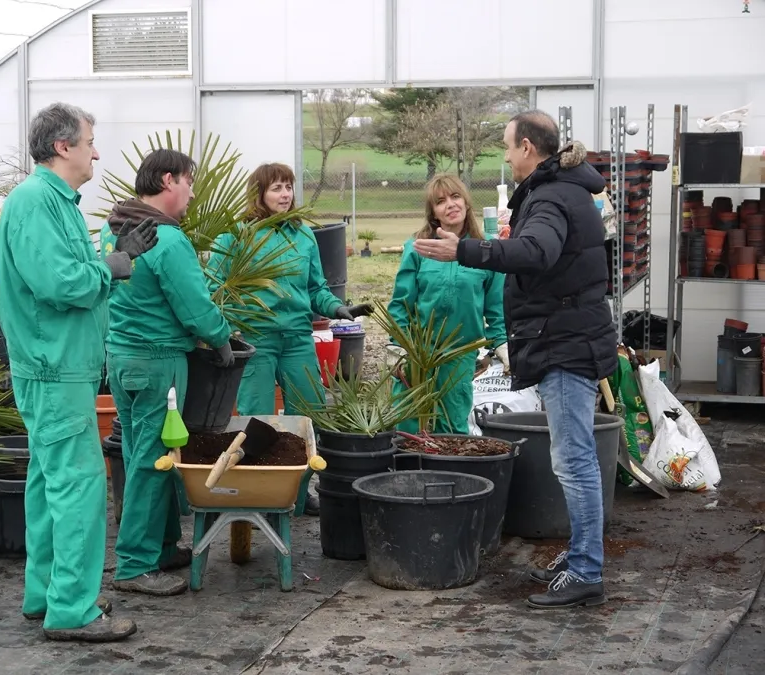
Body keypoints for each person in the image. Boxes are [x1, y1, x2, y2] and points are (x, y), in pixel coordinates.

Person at [412, 110, 617, 610]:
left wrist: (467, 251)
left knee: (573, 461)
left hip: (566, 344)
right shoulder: (567, 190)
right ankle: (579, 557)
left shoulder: (549, 196)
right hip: (569, 337)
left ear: (528, 147)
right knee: (573, 458)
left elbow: (536, 252)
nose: (505, 156)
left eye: (507, 146)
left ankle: (587, 569)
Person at [0, 102, 159, 641]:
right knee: (80, 486)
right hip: (53, 367)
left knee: (48, 484)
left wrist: (114, 256)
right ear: (63, 146)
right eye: (90, 141)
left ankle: (46, 593)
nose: (95, 150)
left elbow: (70, 273)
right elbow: (62, 285)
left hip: (58, 367)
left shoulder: (55, 201)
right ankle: (72, 610)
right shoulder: (37, 202)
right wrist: (113, 264)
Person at [100, 149, 234, 597]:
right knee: (152, 462)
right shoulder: (167, 240)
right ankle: (135, 565)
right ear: (167, 180)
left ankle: (159, 549)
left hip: (121, 359)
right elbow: (194, 307)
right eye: (190, 183)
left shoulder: (113, 227)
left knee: (143, 453)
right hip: (159, 363)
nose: (193, 193)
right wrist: (221, 339)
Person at [207, 163, 372, 515]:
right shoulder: (236, 235)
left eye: (289, 187)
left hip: (297, 337)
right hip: (256, 340)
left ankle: (297, 495)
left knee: (308, 414)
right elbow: (216, 288)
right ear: (259, 194)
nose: (285, 195)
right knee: (257, 419)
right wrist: (230, 327)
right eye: (277, 188)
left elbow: (316, 290)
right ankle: (261, 495)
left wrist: (338, 308)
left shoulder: (302, 235)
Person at [388, 174, 507, 434]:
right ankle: (407, 472)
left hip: (460, 352)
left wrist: (502, 344)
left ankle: (450, 473)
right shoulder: (418, 247)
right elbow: (401, 304)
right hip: (417, 350)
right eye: (440, 201)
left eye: (455, 197)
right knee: (408, 423)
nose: (450, 204)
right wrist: (398, 346)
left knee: (452, 426)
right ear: (433, 213)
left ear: (466, 203)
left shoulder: (486, 250)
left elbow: (496, 308)